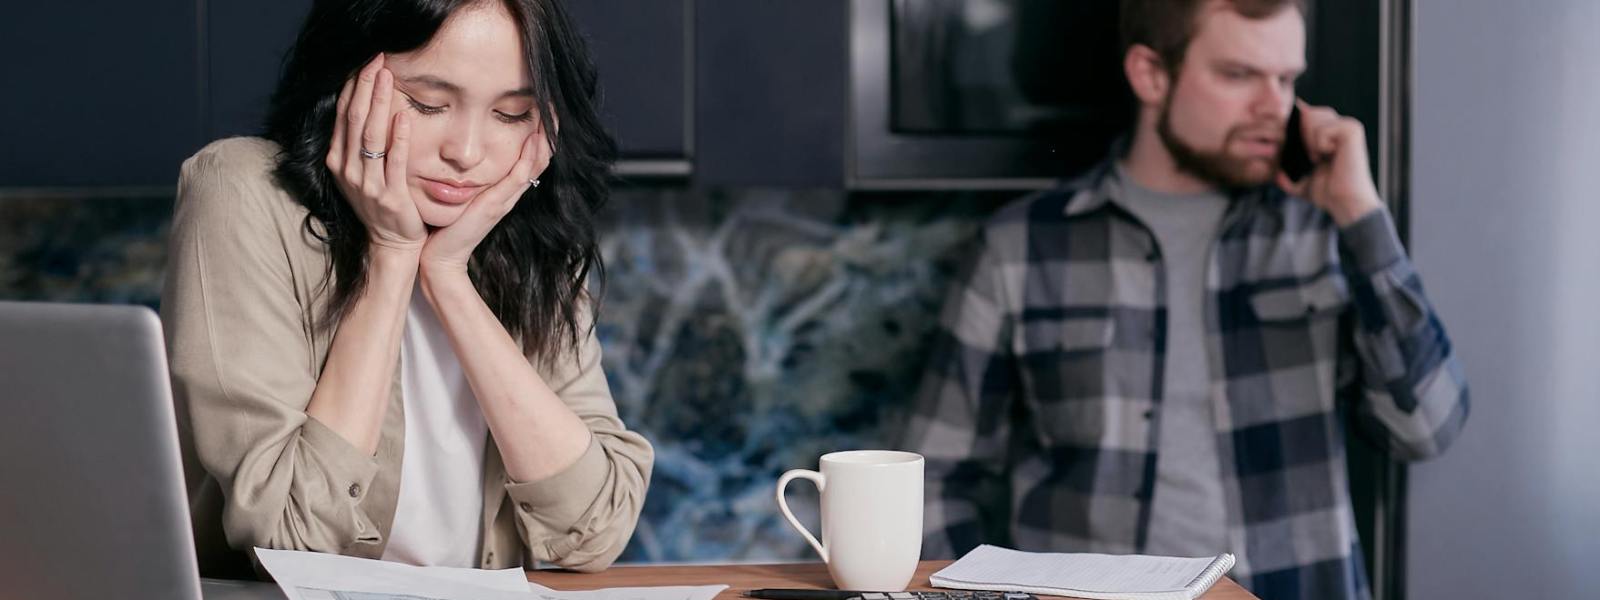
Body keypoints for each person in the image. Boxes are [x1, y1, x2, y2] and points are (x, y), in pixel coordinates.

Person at [901, 1, 1468, 599]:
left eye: (1286, 79)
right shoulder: (1020, 248)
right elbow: (928, 479)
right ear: (1150, 74)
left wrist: (1361, 214)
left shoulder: (1322, 233)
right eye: (1238, 74)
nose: (1273, 107)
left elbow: (1424, 427)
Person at [160, 0, 651, 577]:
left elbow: (593, 532)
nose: (466, 154)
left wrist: (448, 279)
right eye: (428, 103)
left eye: (512, 114)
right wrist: (391, 257)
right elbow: (294, 541)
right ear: (346, 80)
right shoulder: (241, 193)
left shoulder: (525, 228)